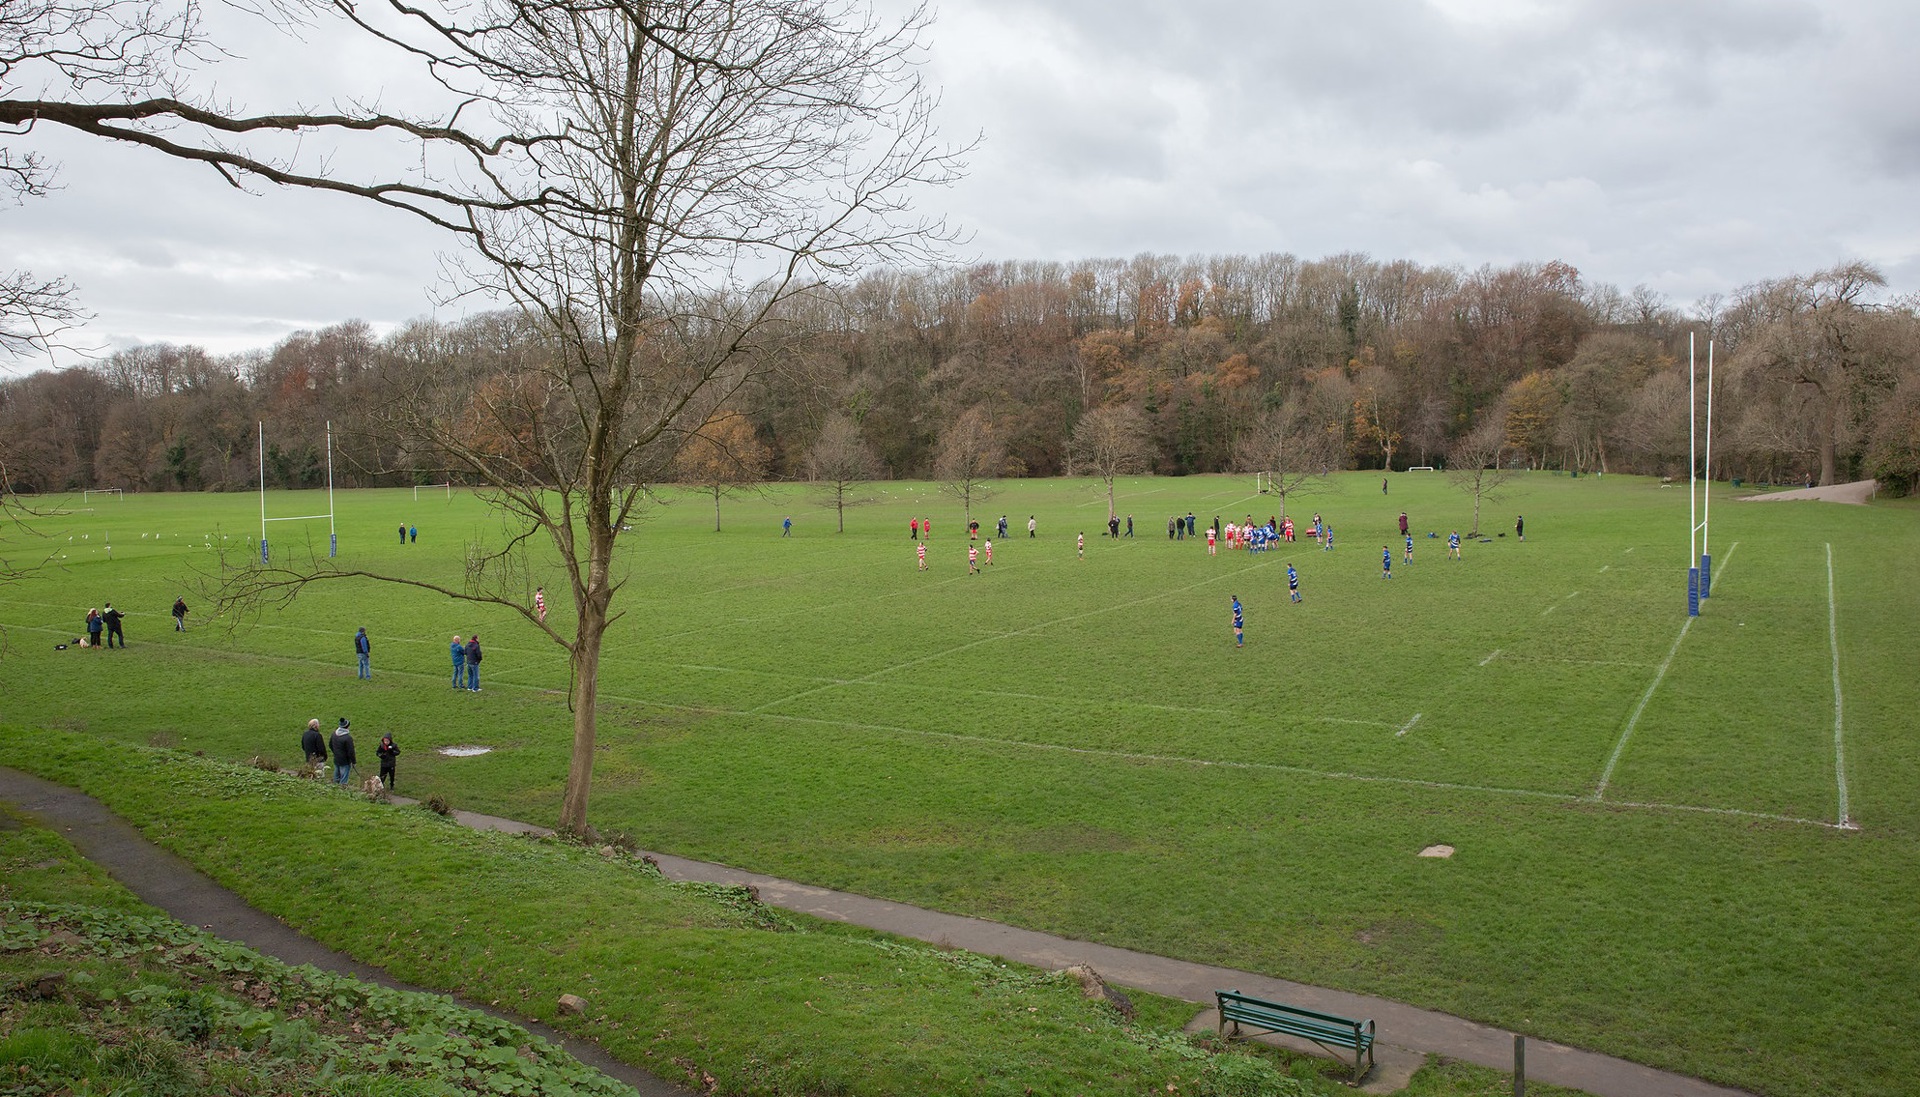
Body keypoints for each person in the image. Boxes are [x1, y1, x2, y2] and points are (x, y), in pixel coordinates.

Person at [329, 718, 356, 785]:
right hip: (345, 762)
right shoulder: (347, 738)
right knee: (343, 780)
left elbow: (330, 745)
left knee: (336, 778)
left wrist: (335, 753)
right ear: (347, 727)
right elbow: (351, 751)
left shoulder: (334, 734)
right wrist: (353, 761)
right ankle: (342, 792)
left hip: (336, 759)